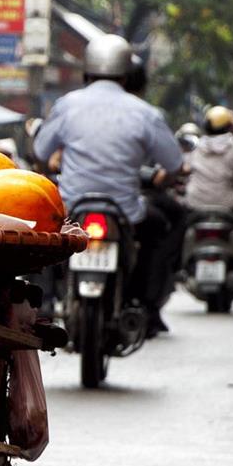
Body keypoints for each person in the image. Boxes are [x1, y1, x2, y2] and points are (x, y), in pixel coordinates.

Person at [32, 33, 184, 335]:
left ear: (87, 69)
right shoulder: (144, 112)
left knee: (42, 240)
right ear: (128, 74)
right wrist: (163, 180)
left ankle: (44, 303)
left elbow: (39, 153)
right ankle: (146, 303)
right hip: (126, 211)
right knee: (164, 227)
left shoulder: (67, 105)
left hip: (72, 207)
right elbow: (174, 164)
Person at [182, 105, 233, 263]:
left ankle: (177, 258)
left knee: (180, 225)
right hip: (228, 204)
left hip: (195, 203)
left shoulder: (197, 148)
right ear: (229, 127)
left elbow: (187, 172)